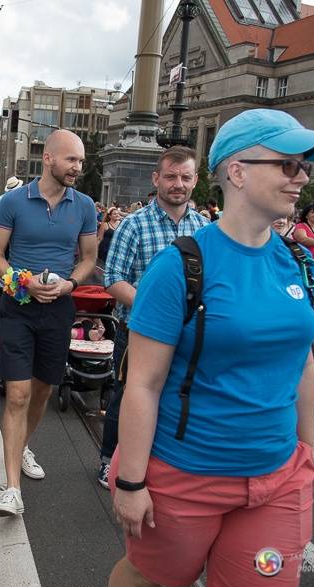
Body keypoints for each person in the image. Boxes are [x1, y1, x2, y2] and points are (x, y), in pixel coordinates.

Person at [108, 108, 314, 587]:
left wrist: (308, 451)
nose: (302, 179)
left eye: (305, 167)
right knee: (148, 574)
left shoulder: (296, 261)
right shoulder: (180, 266)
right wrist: (131, 482)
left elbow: (304, 361)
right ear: (237, 171)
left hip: (277, 478)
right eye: (288, 165)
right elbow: (142, 384)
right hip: (185, 476)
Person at [0, 129, 98, 517]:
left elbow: (87, 258)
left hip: (59, 309)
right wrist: (24, 281)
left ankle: (23, 445)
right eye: (72, 160)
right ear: (48, 159)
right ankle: (11, 488)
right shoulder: (12, 201)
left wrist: (71, 282)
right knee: (16, 394)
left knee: (42, 392)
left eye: (81, 162)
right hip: (17, 304)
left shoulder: (84, 205)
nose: (77, 168)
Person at [97, 146, 210, 488]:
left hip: (188, 335)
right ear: (156, 178)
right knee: (128, 395)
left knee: (177, 396)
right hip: (138, 332)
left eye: (185, 177)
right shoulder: (134, 225)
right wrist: (157, 313)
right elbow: (113, 278)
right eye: (171, 176)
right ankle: (109, 461)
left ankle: (163, 461)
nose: (178, 184)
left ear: (195, 181)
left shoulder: (204, 228)